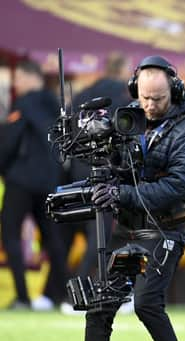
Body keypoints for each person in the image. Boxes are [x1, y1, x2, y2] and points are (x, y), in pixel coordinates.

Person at [46, 55, 185, 341]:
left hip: (165, 229)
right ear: (135, 89)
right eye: (144, 98)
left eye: (158, 99)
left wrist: (121, 192)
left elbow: (177, 186)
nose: (149, 106)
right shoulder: (129, 118)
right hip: (133, 228)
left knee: (147, 301)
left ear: (175, 91)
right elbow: (121, 169)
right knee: (102, 300)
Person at [60, 52, 132, 315]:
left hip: (78, 173)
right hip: (106, 172)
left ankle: (114, 292)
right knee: (101, 235)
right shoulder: (122, 97)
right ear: (123, 70)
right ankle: (74, 297)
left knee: (98, 235)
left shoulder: (83, 95)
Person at [0, 59, 68, 311]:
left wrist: (4, 168)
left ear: (31, 77)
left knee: (10, 232)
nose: (16, 83)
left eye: (18, 78)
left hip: (21, 180)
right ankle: (64, 295)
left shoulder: (24, 104)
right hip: (49, 181)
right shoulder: (56, 105)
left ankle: (22, 297)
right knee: (54, 239)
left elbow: (8, 141)